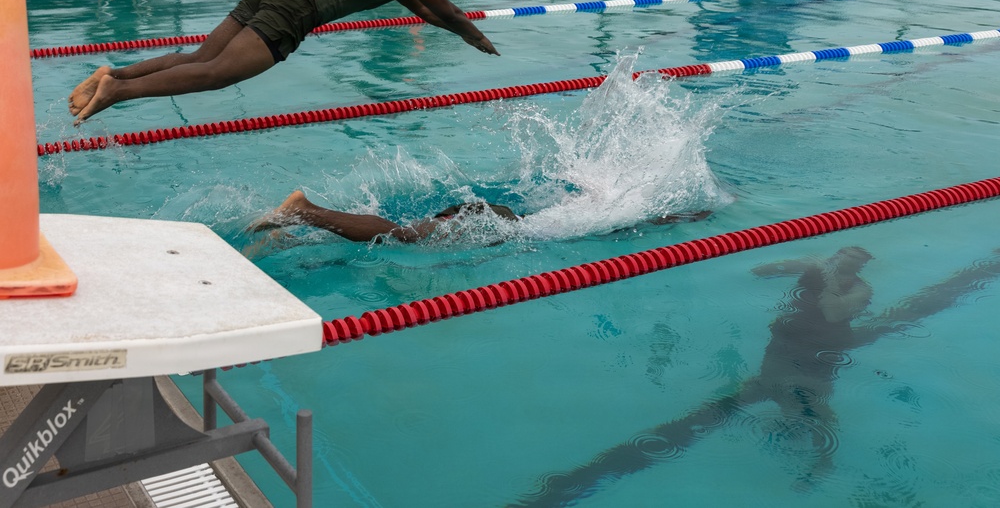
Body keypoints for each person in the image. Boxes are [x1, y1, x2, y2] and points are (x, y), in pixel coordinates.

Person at [512, 246, 1000, 506]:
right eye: (839, 258)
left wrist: (826, 280)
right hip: (780, 351)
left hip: (818, 359)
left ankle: (822, 465)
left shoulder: (861, 291)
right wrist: (797, 264)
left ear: (860, 268)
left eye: (849, 263)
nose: (841, 265)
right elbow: (759, 271)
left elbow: (835, 314)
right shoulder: (817, 270)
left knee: (817, 411)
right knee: (756, 396)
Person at [68, 0, 499, 123]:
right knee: (215, 75)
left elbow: (427, 15)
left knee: (200, 57)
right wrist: (479, 39)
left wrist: (459, 34)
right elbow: (449, 13)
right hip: (295, 10)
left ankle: (112, 74)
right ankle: (117, 92)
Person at [249, 190, 711, 245]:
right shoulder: (602, 218)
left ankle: (295, 231)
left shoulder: (586, 207)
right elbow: (636, 222)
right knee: (403, 236)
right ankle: (305, 212)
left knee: (403, 235)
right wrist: (683, 217)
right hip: (495, 219)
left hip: (494, 216)